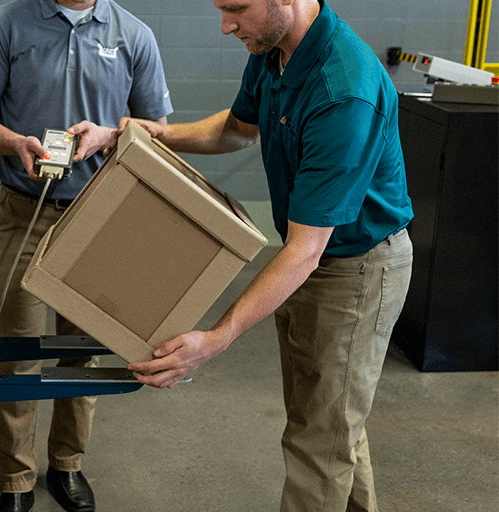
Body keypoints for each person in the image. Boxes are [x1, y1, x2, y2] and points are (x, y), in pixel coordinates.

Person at [122, 0, 414, 511]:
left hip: (355, 266)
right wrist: (156, 133)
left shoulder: (343, 89)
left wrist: (216, 338)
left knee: (317, 443)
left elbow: (305, 250)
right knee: (331, 420)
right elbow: (237, 129)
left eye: (237, 8)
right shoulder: (273, 47)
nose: (225, 25)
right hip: (316, 259)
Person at [0, 0, 172, 511]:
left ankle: (67, 464)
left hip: (98, 216)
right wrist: (12, 143)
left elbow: (156, 130)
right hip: (23, 210)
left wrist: (112, 136)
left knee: (81, 349)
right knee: (17, 350)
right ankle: (16, 479)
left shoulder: (133, 36)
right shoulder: (7, 25)